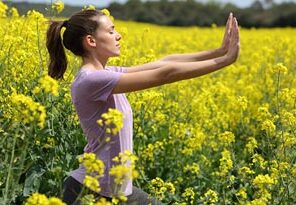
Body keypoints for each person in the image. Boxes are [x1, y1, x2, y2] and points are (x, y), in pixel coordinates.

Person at [46, 8, 239, 205]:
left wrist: (219, 51)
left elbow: (163, 63)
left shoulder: (105, 73)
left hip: (117, 190)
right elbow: (165, 74)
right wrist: (224, 61)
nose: (118, 35)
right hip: (90, 193)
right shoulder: (93, 80)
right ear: (91, 41)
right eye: (111, 31)